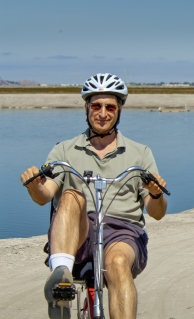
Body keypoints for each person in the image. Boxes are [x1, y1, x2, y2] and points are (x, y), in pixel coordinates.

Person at [20, 73, 168, 319]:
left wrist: (156, 194)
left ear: (119, 110)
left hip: (123, 231)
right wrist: (34, 184)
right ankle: (61, 281)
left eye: (109, 107)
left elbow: (157, 213)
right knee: (71, 195)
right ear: (86, 108)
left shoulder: (140, 153)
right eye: (96, 106)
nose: (102, 113)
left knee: (119, 262)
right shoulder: (64, 150)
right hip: (78, 231)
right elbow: (44, 195)